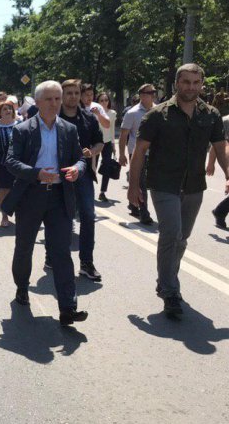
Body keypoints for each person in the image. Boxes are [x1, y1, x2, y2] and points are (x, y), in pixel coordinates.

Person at [129, 64, 229, 316]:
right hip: (163, 184)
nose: (191, 87)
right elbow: (139, 152)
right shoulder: (157, 115)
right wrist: (132, 186)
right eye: (186, 82)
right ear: (177, 83)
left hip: (194, 186)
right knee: (171, 233)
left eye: (196, 83)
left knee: (182, 238)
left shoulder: (211, 114)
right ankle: (170, 290)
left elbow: (220, 147)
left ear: (202, 85)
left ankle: (166, 279)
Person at [2, 80, 88, 326]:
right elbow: (11, 162)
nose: (54, 104)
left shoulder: (69, 129)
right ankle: (21, 287)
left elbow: (80, 158)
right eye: (49, 99)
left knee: (61, 252)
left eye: (58, 99)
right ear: (37, 102)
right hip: (31, 196)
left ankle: (68, 309)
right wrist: (36, 173)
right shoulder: (23, 130)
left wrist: (77, 169)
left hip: (60, 197)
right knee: (24, 247)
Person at [57, 79, 104, 282]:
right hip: (58, 174)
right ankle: (54, 255)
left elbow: (100, 142)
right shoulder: (53, 116)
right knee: (59, 217)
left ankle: (86, 263)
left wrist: (91, 152)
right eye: (69, 93)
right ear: (62, 95)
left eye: (76, 93)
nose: (73, 97)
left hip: (83, 174)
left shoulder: (88, 118)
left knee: (87, 216)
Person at [119, 84, 156, 224]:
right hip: (136, 152)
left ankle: (133, 204)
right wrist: (122, 154)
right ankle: (144, 212)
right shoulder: (132, 113)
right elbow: (123, 135)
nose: (152, 95)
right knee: (140, 182)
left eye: (153, 92)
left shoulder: (158, 110)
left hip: (154, 153)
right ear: (141, 95)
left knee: (148, 182)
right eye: (148, 92)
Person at [208, 114, 229, 229]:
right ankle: (220, 211)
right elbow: (217, 144)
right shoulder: (226, 121)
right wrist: (211, 163)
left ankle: (220, 211)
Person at [96, 92, 117, 201]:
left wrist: (113, 144)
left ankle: (103, 192)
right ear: (98, 102)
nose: (104, 102)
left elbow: (112, 129)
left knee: (107, 166)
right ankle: (88, 191)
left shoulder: (112, 113)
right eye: (101, 100)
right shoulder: (94, 113)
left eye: (106, 100)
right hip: (95, 142)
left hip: (107, 142)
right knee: (92, 167)